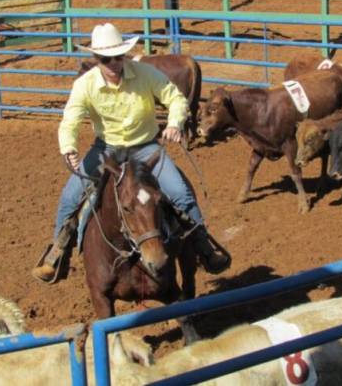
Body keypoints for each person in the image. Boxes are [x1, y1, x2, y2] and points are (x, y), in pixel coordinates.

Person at [32, 23, 231, 283]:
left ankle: (204, 247)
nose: (114, 63)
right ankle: (57, 253)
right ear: (96, 59)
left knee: (180, 193)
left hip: (145, 146)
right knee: (71, 197)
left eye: (118, 57)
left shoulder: (146, 73)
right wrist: (67, 147)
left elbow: (175, 98)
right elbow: (69, 120)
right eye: (106, 59)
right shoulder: (85, 85)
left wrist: (174, 122)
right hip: (106, 150)